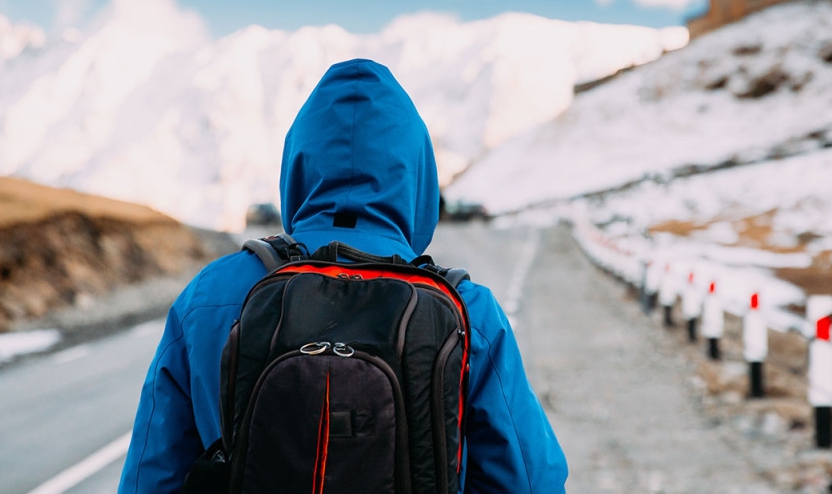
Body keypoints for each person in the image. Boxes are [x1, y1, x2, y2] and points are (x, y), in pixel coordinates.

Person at [118, 59, 568, 493]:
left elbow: (151, 476)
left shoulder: (209, 296)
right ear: (418, 176)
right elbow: (528, 482)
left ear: (297, 167)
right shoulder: (468, 312)